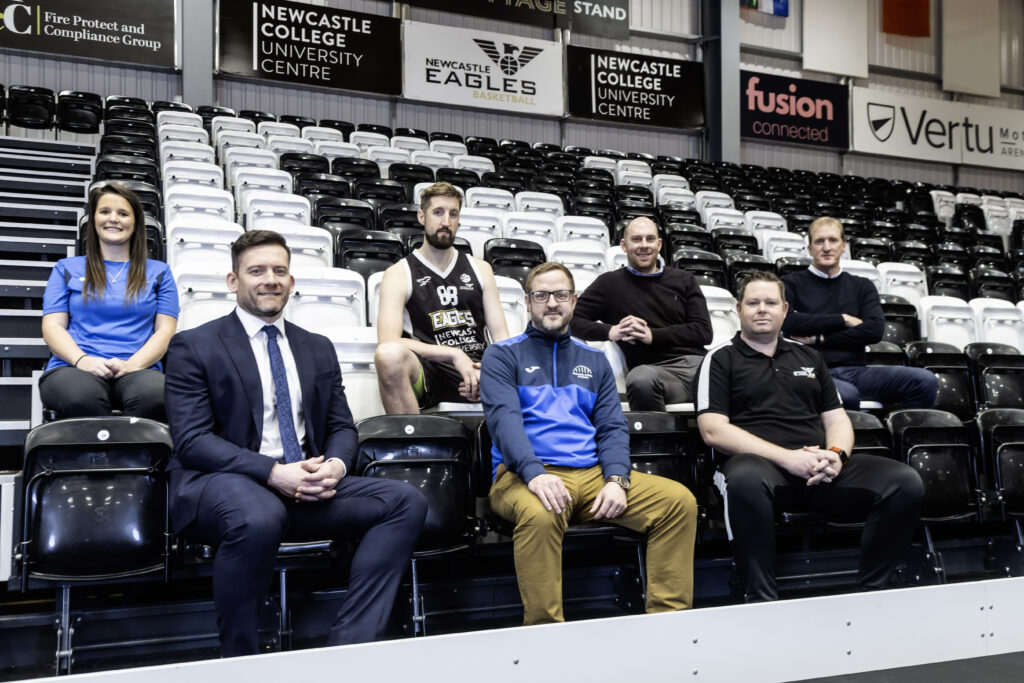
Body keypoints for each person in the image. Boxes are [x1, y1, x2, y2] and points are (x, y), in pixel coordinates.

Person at [164, 230, 427, 657]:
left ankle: (350, 648)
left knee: (405, 502)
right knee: (260, 515)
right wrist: (272, 473)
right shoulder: (194, 345)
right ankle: (241, 659)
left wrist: (336, 468)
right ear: (233, 281)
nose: (270, 279)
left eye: (279, 271)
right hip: (224, 485)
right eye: (257, 271)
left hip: (304, 485)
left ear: (291, 281)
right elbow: (193, 441)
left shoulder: (317, 347)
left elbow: (342, 427)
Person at [480, 262, 697, 625]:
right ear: (528, 303)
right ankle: (546, 634)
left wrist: (617, 479)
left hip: (593, 477)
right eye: (542, 295)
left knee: (679, 503)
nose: (552, 303)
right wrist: (535, 475)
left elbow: (612, 428)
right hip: (522, 477)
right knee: (539, 513)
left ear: (574, 301)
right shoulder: (503, 355)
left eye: (561, 295)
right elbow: (505, 424)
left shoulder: (595, 360)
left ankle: (668, 624)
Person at [695, 271, 923, 603]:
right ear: (738, 309)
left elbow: (837, 419)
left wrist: (836, 456)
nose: (762, 309)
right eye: (753, 303)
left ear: (785, 310)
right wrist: (787, 457)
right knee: (743, 479)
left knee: (904, 482)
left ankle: (873, 593)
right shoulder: (720, 359)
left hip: (818, 469)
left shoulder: (809, 358)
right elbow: (713, 430)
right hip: (762, 469)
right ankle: (760, 599)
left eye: (770, 303)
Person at [39, 182, 178, 420]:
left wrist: (132, 365)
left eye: (123, 213)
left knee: (157, 396)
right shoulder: (66, 268)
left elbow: (165, 331)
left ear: (135, 224)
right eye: (105, 212)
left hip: (139, 368)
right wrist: (82, 360)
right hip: (74, 367)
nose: (113, 219)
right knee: (81, 398)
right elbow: (52, 327)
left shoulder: (160, 272)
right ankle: (93, 459)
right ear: (93, 220)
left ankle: (137, 459)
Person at [375, 181, 509, 414]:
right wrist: (454, 353)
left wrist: (491, 372)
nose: (446, 221)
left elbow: (501, 339)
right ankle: (412, 445)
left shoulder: (481, 268)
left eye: (453, 214)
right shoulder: (399, 273)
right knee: (388, 355)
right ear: (421, 216)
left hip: (479, 368)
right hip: (432, 371)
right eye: (438, 212)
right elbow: (388, 340)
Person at [781, 216, 938, 409]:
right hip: (810, 372)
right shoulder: (791, 283)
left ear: (843, 246)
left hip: (856, 372)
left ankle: (895, 434)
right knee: (846, 394)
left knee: (925, 381)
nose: (827, 247)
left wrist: (819, 339)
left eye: (833, 240)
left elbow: (873, 331)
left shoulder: (862, 286)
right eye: (819, 241)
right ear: (810, 248)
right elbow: (790, 323)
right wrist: (843, 319)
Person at [572, 216, 712, 410]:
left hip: (700, 366)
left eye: (650, 239)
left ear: (659, 244)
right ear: (623, 245)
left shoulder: (684, 280)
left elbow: (703, 332)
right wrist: (611, 331)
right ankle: (657, 441)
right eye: (636, 239)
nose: (644, 245)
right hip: (655, 373)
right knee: (640, 380)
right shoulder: (609, 284)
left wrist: (653, 335)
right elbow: (571, 320)